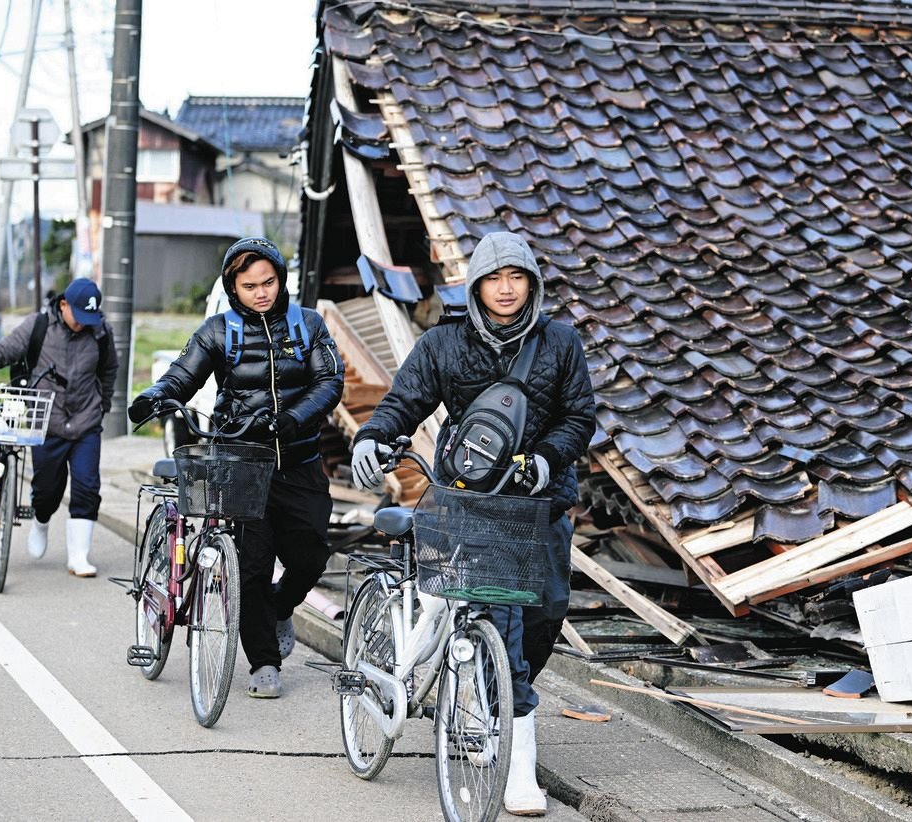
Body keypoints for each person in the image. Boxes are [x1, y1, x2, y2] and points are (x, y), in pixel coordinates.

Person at [350, 231, 595, 816]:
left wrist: (546, 457)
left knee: (544, 616)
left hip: (542, 504)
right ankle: (512, 755)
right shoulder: (445, 344)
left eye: (516, 278)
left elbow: (579, 416)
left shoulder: (560, 343)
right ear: (477, 286)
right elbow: (402, 402)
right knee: (499, 620)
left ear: (531, 284)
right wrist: (373, 438)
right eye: (493, 279)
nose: (505, 290)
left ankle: (497, 699)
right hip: (469, 502)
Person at [129, 237, 344, 699]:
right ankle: (264, 661)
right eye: (250, 286)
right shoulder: (217, 330)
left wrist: (290, 417)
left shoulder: (308, 325)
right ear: (234, 287)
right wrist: (154, 396)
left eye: (268, 282)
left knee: (310, 556)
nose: (262, 292)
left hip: (301, 461)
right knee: (250, 567)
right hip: (242, 464)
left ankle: (279, 606)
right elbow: (182, 375)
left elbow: (329, 381)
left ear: (281, 279)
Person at [0, 278, 119, 577]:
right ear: (64, 305)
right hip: (47, 422)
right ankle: (41, 522)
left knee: (87, 487)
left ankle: (78, 557)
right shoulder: (39, 326)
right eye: (78, 317)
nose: (82, 325)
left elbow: (109, 371)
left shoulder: (100, 332)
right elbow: (5, 350)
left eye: (89, 319)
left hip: (86, 423)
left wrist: (103, 406)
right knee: (46, 491)